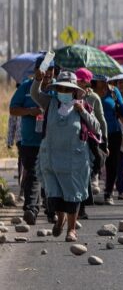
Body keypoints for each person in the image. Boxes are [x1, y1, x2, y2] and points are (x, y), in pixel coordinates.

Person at [31, 70, 101, 242]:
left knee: (73, 194)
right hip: (52, 158)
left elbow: (96, 128)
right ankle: (60, 219)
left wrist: (83, 111)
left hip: (75, 161)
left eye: (67, 88)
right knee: (54, 195)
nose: (63, 92)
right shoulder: (50, 103)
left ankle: (71, 229)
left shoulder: (83, 105)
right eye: (61, 88)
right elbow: (35, 94)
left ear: (74, 90)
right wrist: (38, 79)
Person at [10, 55, 55, 225]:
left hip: (52, 142)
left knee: (50, 177)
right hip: (29, 142)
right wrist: (30, 111)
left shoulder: (58, 90)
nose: (48, 73)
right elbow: (13, 109)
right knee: (33, 175)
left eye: (51, 69)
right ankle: (31, 209)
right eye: (45, 69)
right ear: (37, 71)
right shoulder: (26, 88)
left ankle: (51, 211)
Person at [92, 73, 123, 203]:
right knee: (95, 162)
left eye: (106, 79)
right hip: (94, 133)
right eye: (101, 79)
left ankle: (108, 192)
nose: (104, 81)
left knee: (113, 164)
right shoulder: (89, 92)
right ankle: (88, 190)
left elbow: (122, 108)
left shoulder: (114, 92)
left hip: (114, 133)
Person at [73, 69, 107, 220]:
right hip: (71, 141)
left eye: (82, 81)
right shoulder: (67, 97)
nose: (79, 83)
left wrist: (104, 141)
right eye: (77, 80)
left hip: (88, 138)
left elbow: (100, 121)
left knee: (87, 170)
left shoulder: (92, 98)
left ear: (87, 82)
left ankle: (82, 207)